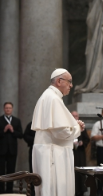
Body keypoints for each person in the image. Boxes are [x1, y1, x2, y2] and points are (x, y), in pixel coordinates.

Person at [31, 68, 85, 196]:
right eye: (69, 82)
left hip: (49, 152)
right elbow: (61, 133)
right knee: (55, 190)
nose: (71, 85)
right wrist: (78, 128)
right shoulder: (53, 99)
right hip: (54, 154)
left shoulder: (48, 96)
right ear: (59, 81)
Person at [0, 102, 23, 194]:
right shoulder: (0, 120)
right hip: (1, 150)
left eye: (9, 108)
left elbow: (21, 135)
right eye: (6, 108)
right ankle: (1, 190)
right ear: (3, 109)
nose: (8, 109)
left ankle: (9, 190)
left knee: (11, 170)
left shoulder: (17, 121)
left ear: (12, 109)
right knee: (1, 171)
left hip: (12, 150)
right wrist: (4, 131)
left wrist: (13, 131)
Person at [71, 111, 90, 196]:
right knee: (72, 172)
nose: (75, 117)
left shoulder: (82, 126)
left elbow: (87, 139)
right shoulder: (68, 126)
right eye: (73, 116)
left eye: (76, 116)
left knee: (80, 172)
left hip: (80, 153)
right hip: (71, 153)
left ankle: (81, 190)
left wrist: (82, 143)